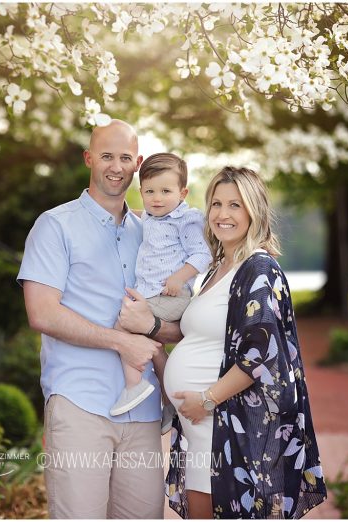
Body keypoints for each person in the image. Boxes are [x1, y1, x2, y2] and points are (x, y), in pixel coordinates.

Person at [120, 167, 327, 518]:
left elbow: (259, 356)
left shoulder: (258, 269)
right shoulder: (216, 270)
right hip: (202, 427)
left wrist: (205, 399)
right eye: (216, 203)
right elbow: (200, 343)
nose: (222, 214)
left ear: (254, 211)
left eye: (235, 205)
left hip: (229, 427)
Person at [19, 120, 165, 518]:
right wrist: (121, 341)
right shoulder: (55, 225)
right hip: (81, 403)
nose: (115, 167)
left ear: (137, 163)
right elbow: (42, 312)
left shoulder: (151, 234)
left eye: (124, 158)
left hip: (144, 412)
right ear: (89, 159)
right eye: (106, 156)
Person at [110, 153, 212, 433]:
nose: (157, 198)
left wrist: (179, 278)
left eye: (166, 191)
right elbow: (135, 216)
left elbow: (203, 254)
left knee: (124, 324)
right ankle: (170, 405)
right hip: (153, 295)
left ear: (183, 193)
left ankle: (134, 385)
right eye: (149, 191)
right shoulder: (153, 217)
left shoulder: (185, 219)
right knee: (155, 349)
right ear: (140, 191)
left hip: (170, 296)